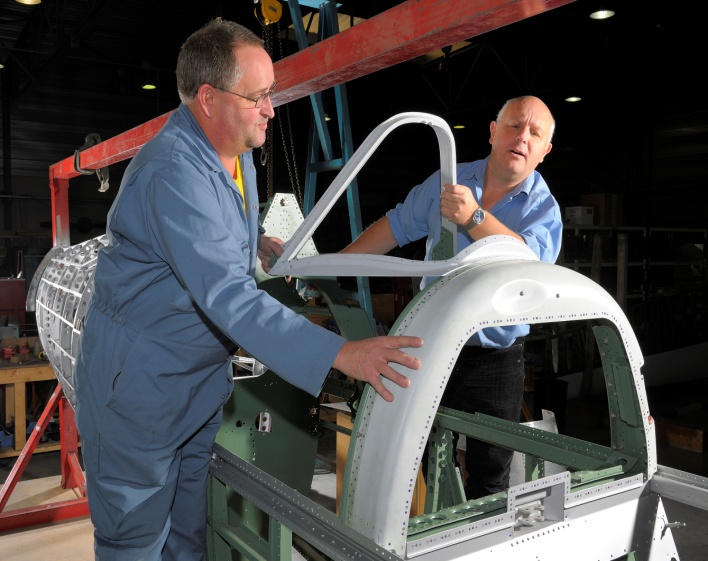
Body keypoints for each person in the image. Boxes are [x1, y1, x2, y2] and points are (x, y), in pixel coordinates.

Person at [74, 19, 423, 561]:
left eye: (271, 94)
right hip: (141, 390)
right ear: (209, 99)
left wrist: (253, 240)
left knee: (188, 533)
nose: (271, 109)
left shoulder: (231, 153)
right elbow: (230, 298)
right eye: (258, 96)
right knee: (136, 540)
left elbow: (210, 228)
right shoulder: (173, 171)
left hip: (194, 384)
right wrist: (342, 353)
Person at [342, 95, 562, 499]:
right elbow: (393, 226)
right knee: (411, 460)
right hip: (431, 342)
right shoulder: (447, 181)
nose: (522, 137)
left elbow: (530, 267)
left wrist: (474, 218)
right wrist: (332, 265)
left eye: (535, 133)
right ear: (494, 132)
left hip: (494, 358)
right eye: (514, 125)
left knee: (490, 472)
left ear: (544, 151)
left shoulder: (543, 210)